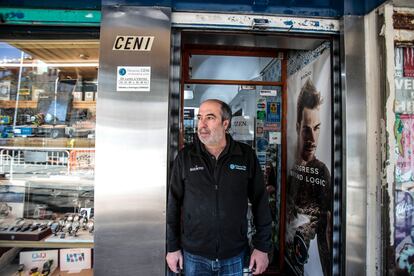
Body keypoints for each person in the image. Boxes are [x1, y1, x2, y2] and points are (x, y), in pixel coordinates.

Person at [166, 99, 272, 275]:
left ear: (225, 123)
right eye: (200, 118)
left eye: (210, 118)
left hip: (234, 255)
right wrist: (172, 247)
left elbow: (261, 202)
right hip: (194, 256)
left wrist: (262, 247)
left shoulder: (245, 156)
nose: (202, 124)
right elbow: (173, 205)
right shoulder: (186, 157)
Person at [286, 79, 332, 276]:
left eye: (317, 128)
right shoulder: (292, 165)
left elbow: (326, 223)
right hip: (292, 255)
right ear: (298, 127)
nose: (312, 139)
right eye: (307, 129)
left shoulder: (321, 171)